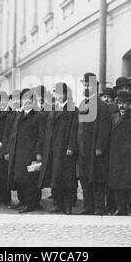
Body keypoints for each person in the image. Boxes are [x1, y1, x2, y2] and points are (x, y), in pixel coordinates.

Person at [38, 83, 78, 215]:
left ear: (67, 94)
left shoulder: (72, 109)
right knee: (54, 177)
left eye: (61, 93)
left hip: (65, 149)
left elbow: (74, 129)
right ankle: (57, 203)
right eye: (56, 93)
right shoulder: (53, 109)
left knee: (67, 178)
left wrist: (71, 146)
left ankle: (67, 205)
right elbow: (47, 129)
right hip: (52, 148)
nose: (58, 96)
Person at [4, 89, 45, 213]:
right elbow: (12, 134)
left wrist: (38, 152)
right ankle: (22, 201)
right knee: (19, 178)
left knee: (30, 179)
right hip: (18, 152)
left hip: (30, 152)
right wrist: (9, 151)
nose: (27, 101)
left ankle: (30, 203)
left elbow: (41, 135)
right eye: (24, 98)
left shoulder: (38, 115)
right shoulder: (19, 115)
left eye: (30, 99)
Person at [77, 73, 111, 215]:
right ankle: (87, 207)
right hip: (83, 148)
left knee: (97, 178)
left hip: (94, 149)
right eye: (84, 84)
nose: (86, 87)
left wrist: (99, 147)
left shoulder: (101, 105)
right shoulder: (83, 104)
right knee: (84, 178)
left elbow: (104, 128)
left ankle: (99, 208)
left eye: (89, 84)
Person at [108, 91, 131, 215]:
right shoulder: (113, 118)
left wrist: (130, 148)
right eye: (119, 103)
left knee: (130, 184)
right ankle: (121, 208)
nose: (121, 105)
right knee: (117, 183)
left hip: (130, 156)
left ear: (129, 104)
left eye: (124, 103)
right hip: (115, 155)